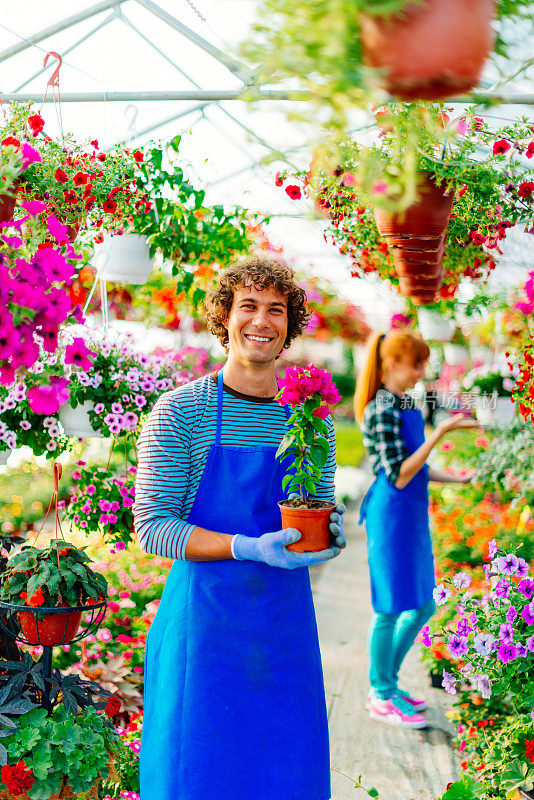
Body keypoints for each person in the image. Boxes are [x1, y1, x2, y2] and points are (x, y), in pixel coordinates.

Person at [134, 255, 346, 800]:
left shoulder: (308, 416)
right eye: (248, 305)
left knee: (284, 773)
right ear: (224, 317)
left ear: (289, 328)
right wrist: (247, 547)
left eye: (277, 310)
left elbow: (317, 503)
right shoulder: (181, 411)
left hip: (282, 629)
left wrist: (333, 527)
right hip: (203, 629)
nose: (261, 320)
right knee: (196, 772)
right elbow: (154, 527)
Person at [354, 330, 477, 729]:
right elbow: (401, 474)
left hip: (411, 514)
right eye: (417, 364)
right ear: (392, 364)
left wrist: (458, 479)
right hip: (392, 514)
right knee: (389, 607)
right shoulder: (379, 408)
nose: (421, 373)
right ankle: (380, 694)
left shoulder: (403, 402)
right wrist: (440, 434)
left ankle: (388, 684)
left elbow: (418, 466)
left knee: (423, 603)